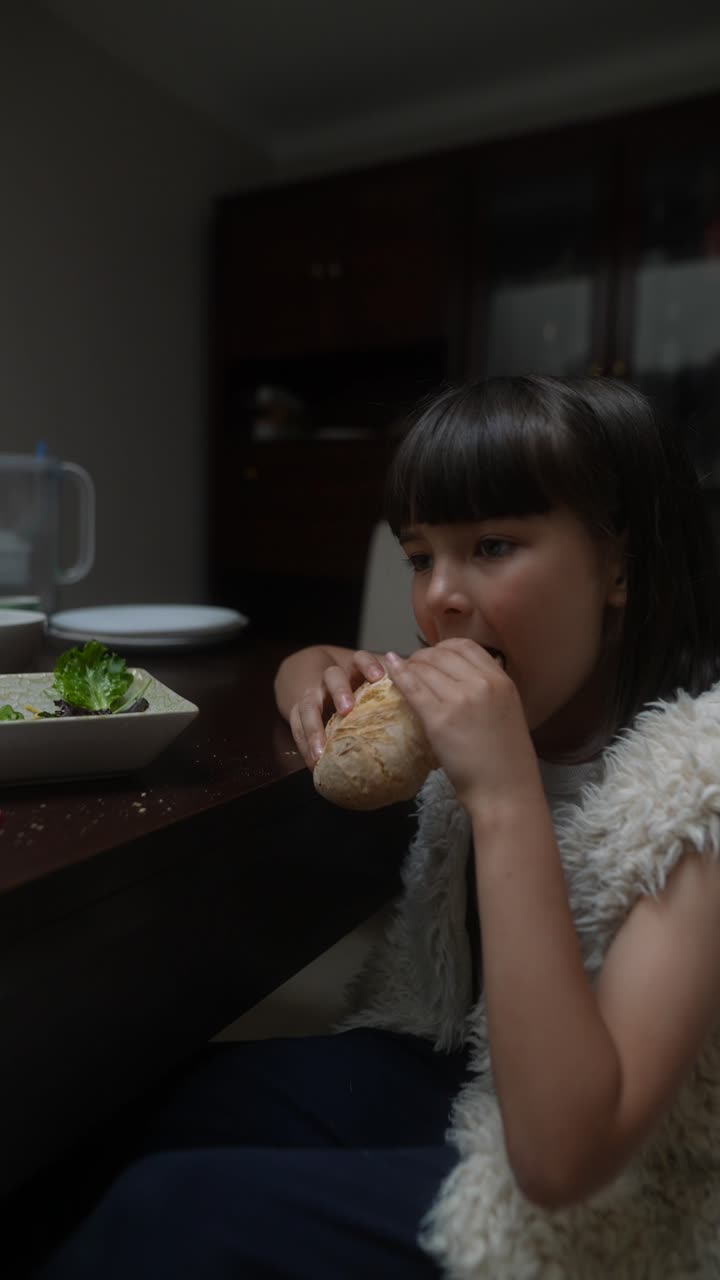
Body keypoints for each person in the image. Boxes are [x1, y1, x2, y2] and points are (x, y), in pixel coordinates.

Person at [37, 376, 720, 1277]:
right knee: (114, 1119)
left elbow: (567, 1159)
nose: (440, 596)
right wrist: (306, 670)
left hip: (634, 1192)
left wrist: (505, 794)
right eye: (419, 556)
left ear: (620, 566)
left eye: (494, 545)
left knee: (173, 1211)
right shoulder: (486, 722)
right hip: (456, 1070)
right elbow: (315, 681)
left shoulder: (696, 783)